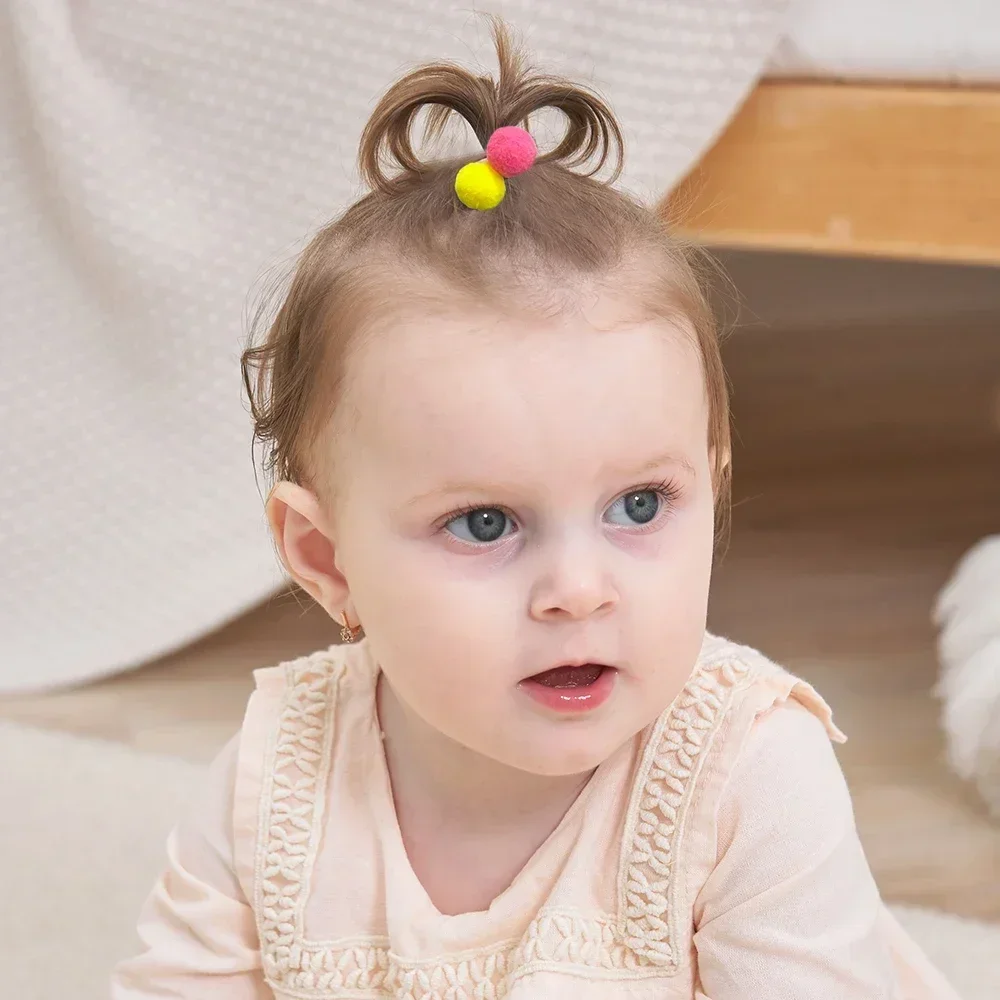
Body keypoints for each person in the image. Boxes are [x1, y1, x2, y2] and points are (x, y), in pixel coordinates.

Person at [111, 21, 959, 999]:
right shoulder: (277, 781)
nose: (577, 588)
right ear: (326, 558)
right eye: (484, 522)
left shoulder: (747, 774)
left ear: (712, 488)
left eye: (639, 504)